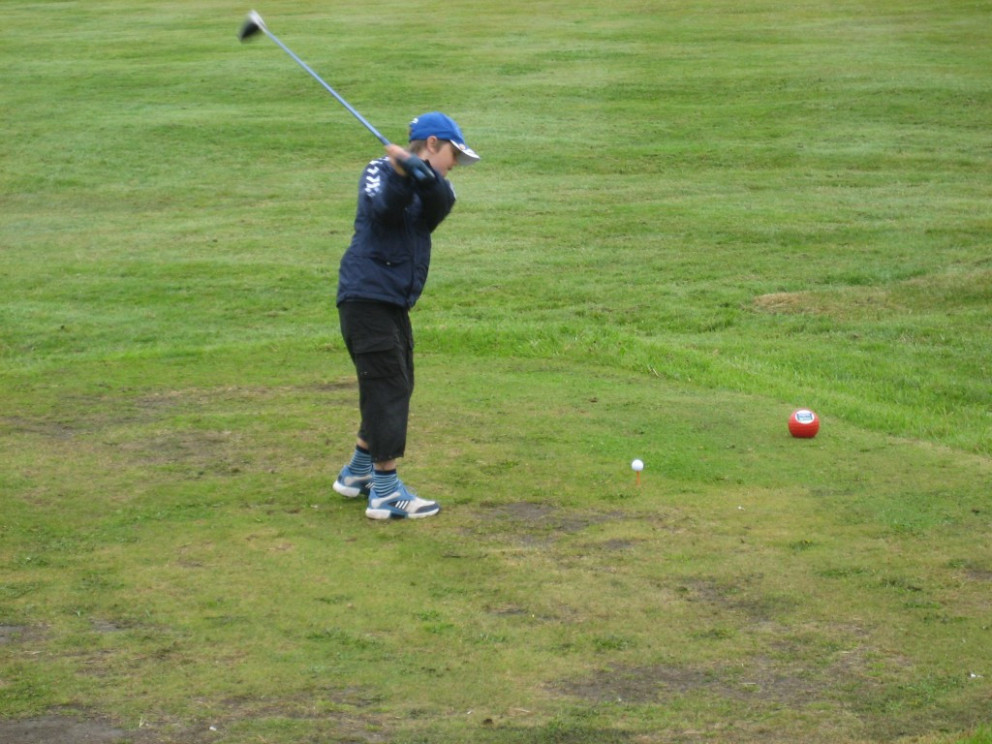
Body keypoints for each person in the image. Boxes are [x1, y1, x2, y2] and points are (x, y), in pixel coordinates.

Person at [332, 112, 480, 519]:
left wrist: (420, 173)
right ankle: (384, 491)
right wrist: (400, 173)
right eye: (453, 154)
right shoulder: (378, 171)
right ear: (433, 143)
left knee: (397, 383)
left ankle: (357, 472)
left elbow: (438, 204)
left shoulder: (439, 188)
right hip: (366, 297)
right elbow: (383, 211)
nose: (455, 164)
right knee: (388, 388)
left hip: (391, 301)